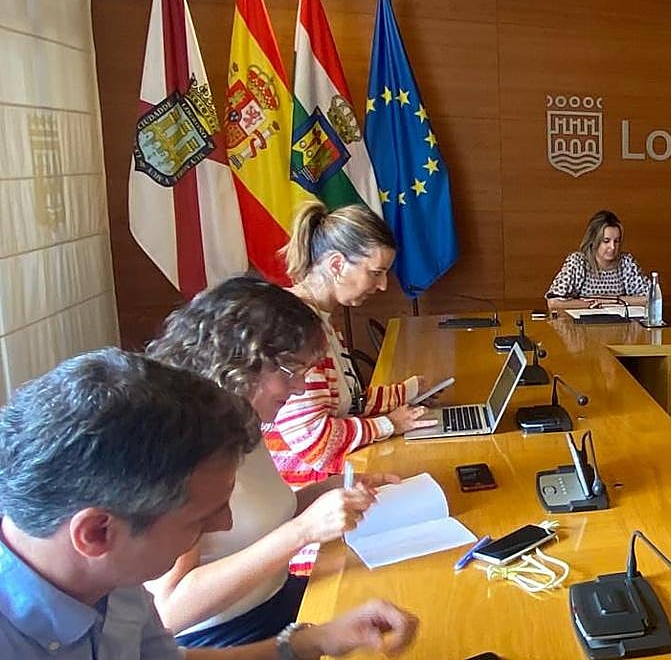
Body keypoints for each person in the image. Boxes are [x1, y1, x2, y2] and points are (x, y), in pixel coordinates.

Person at [0, 348, 419, 659]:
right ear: (96, 533)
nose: (225, 524)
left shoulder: (112, 573)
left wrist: (315, 640)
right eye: (200, 519)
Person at [144, 277, 394, 646]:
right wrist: (304, 531)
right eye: (291, 371)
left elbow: (258, 519)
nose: (300, 388)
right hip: (225, 638)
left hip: (279, 601)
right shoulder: (182, 450)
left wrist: (330, 489)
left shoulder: (243, 420)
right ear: (238, 361)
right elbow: (170, 610)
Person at [267, 202, 435, 496]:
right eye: (376, 272)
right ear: (336, 265)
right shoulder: (297, 330)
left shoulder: (318, 319)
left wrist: (410, 390)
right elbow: (316, 443)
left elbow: (348, 403)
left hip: (329, 482)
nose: (383, 285)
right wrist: (389, 425)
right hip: (308, 494)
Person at [545, 210, 653, 310]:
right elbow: (553, 302)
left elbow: (651, 298)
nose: (613, 247)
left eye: (616, 241)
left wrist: (615, 300)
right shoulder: (578, 262)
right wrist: (595, 304)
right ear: (594, 240)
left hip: (618, 322)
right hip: (584, 322)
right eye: (606, 241)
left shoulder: (626, 262)